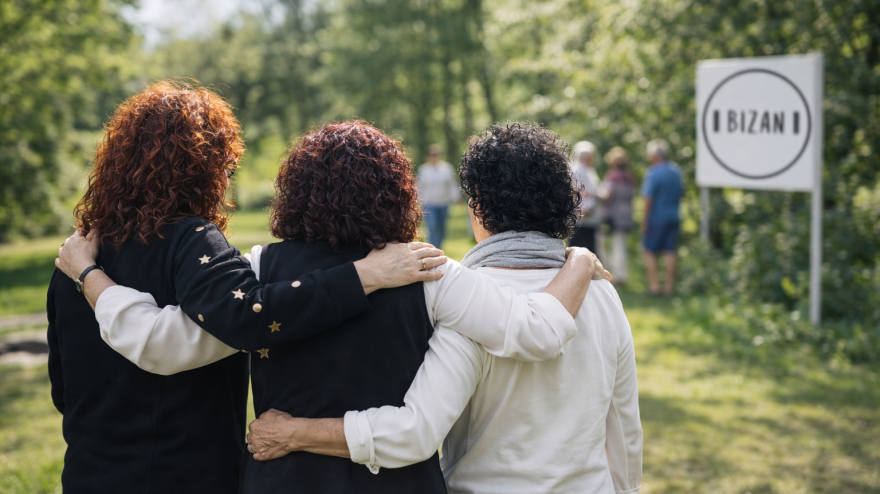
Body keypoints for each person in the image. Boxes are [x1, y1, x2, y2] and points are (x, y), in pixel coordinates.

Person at [60, 121, 607, 493]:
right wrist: (578, 259)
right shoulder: (428, 271)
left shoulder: (257, 271)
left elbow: (163, 343)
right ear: (399, 192)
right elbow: (536, 331)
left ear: (293, 191)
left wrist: (92, 278)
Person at [48, 85, 453, 494]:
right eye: (225, 166)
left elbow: (62, 388)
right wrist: (366, 274)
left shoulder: (73, 256)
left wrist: (86, 274)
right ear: (200, 168)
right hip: (183, 471)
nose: (226, 180)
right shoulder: (192, 242)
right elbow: (245, 316)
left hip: (88, 470)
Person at [246, 123, 643, 494]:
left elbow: (415, 432)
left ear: (476, 209)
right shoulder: (603, 295)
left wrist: (295, 433)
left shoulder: (468, 300)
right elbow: (624, 429)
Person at [641, 139, 683, 296]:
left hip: (656, 218)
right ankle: (668, 288)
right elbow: (681, 194)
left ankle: (654, 286)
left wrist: (644, 220)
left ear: (654, 155)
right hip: (673, 216)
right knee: (670, 251)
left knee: (649, 251)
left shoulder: (653, 172)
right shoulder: (676, 171)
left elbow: (648, 199)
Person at [601, 146, 637, 286]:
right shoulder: (630, 177)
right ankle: (622, 275)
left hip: (613, 213)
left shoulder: (613, 176)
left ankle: (612, 272)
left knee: (606, 243)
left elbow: (608, 195)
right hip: (627, 212)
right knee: (621, 244)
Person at [417, 144, 460, 248]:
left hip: (443, 202)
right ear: (428, 156)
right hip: (429, 203)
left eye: (436, 154)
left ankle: (439, 247)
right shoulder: (423, 170)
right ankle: (433, 248)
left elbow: (452, 184)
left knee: (441, 227)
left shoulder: (447, 168)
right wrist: (417, 199)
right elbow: (419, 186)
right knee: (432, 226)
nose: (434, 157)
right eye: (432, 154)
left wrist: (456, 197)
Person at [570, 140, 604, 254]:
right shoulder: (575, 170)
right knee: (577, 250)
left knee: (590, 250)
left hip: (590, 218)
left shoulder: (590, 171)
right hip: (579, 218)